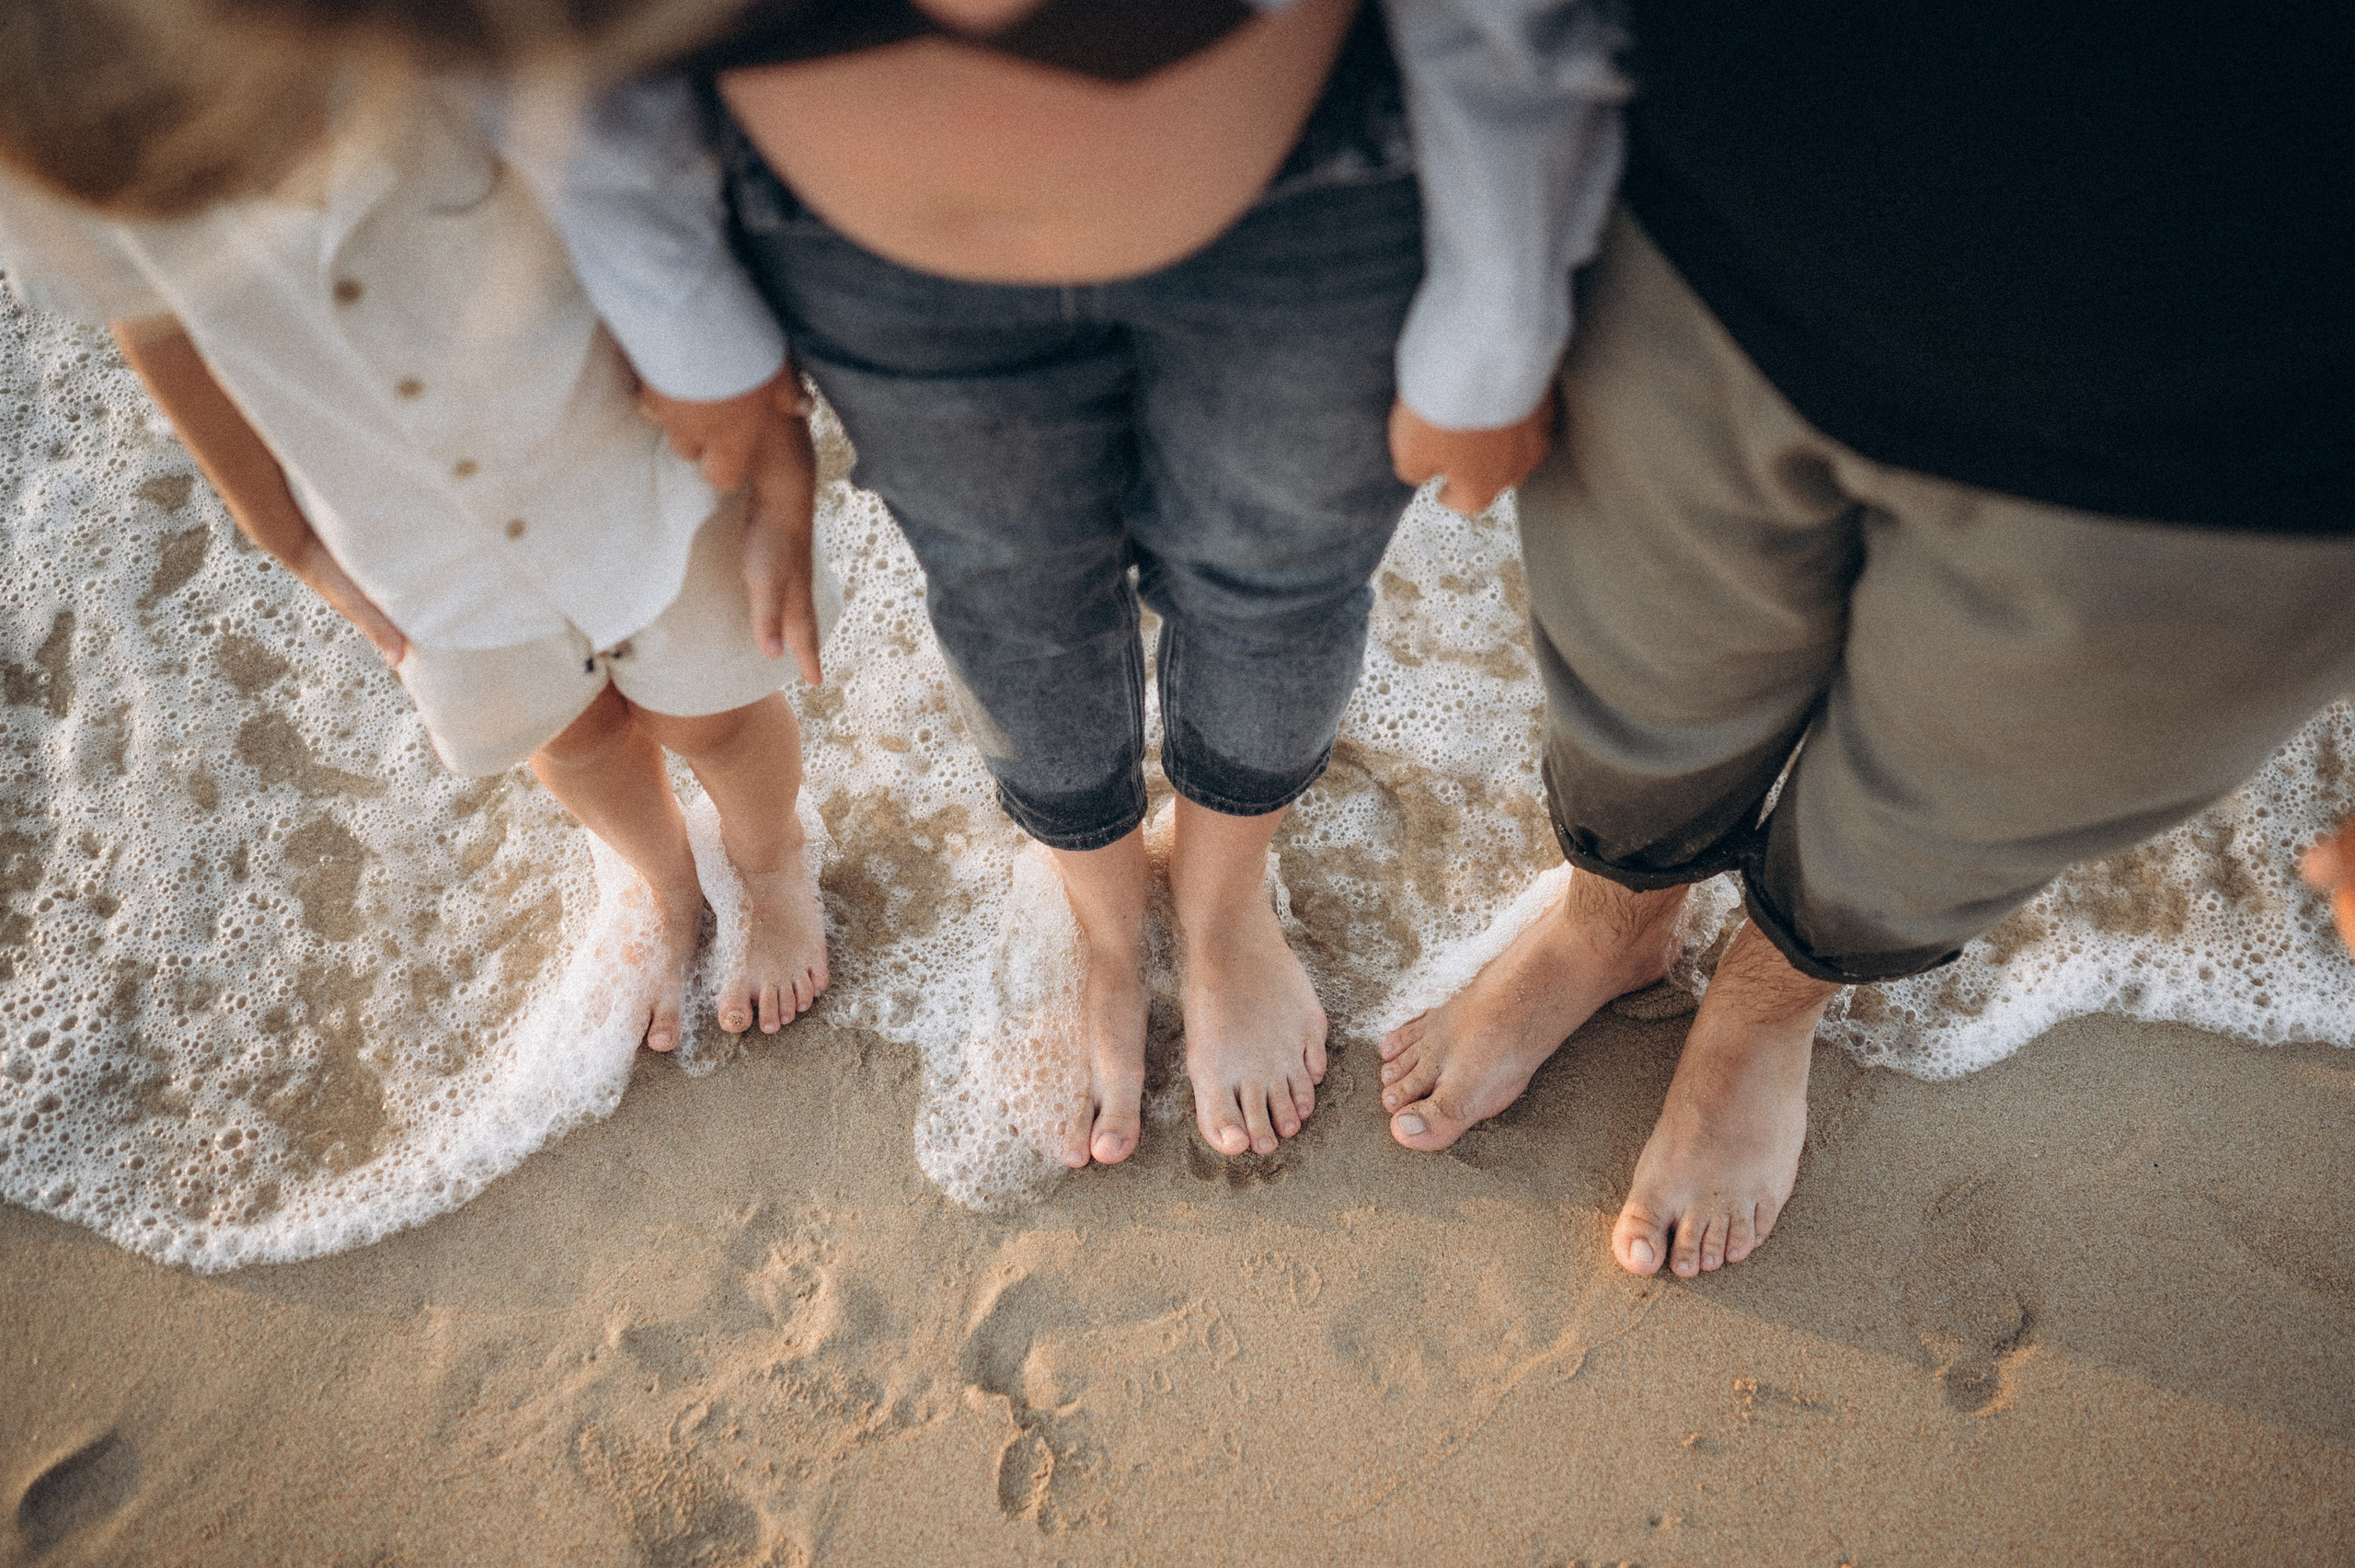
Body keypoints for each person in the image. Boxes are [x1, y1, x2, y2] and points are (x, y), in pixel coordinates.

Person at [1378, 1, 2355, 1277]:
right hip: (1711, 226)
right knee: (1639, 679)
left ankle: (1769, 1006)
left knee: (1949, 816)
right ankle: (1612, 920)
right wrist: (1490, 321)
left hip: (2245, 472)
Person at [690, 0, 1625, 1168]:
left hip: (1319, 178)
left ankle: (1224, 911)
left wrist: (1497, 317)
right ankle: (1106, 935)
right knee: (1010, 607)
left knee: (1277, 582)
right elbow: (563, 50)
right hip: (857, 236)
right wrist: (694, 339)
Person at [0, 22, 841, 1053]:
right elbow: (155, 328)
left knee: (714, 707)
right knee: (567, 734)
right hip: (403, 524)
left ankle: (768, 860)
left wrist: (705, 364)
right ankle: (663, 879)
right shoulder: (57, 151)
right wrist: (283, 531)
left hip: (615, 445)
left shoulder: (427, 36)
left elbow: (611, 154)